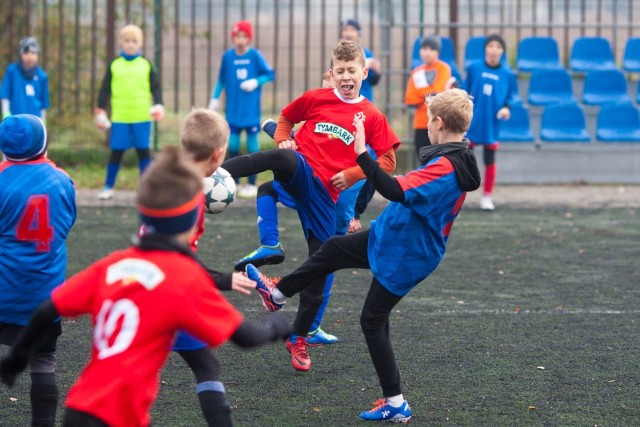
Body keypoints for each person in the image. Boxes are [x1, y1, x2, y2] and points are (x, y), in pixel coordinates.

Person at [0, 146, 290, 427]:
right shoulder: (183, 278)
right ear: (194, 222)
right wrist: (277, 326)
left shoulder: (111, 266)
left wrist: (15, 359)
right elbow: (246, 337)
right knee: (206, 365)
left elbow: (48, 308)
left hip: (80, 408)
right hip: (120, 416)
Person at [246, 88, 481, 422]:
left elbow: (394, 190)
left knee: (372, 320)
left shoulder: (446, 167)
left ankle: (396, 403)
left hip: (406, 252)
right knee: (332, 249)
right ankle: (278, 293)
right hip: (393, 237)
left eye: (429, 120)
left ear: (439, 123)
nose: (427, 126)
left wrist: (361, 152)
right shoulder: (459, 153)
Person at [221, 39, 400, 368]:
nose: (347, 77)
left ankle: (299, 338)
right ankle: (220, 171)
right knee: (284, 160)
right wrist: (283, 138)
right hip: (303, 173)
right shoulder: (316, 98)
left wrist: (353, 173)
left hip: (325, 196)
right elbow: (286, 118)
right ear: (332, 74)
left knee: (319, 270)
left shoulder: (372, 116)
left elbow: (388, 161)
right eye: (341, 71)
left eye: (352, 71)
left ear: (364, 72)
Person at [163, 109, 258, 426]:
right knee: (206, 366)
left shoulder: (163, 178)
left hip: (143, 285)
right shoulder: (188, 200)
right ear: (218, 155)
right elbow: (179, 261)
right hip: (171, 293)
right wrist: (225, 280)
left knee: (199, 364)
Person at [0, 114, 77, 427]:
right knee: (42, 360)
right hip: (44, 298)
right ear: (43, 143)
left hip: (3, 292)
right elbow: (65, 225)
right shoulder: (62, 180)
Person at [94, 24, 165, 201]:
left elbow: (156, 88)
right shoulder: (115, 65)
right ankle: (108, 186)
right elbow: (104, 89)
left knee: (143, 152)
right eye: (127, 41)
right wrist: (100, 110)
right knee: (116, 152)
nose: (130, 44)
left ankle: (146, 188)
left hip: (142, 116)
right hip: (120, 117)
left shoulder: (146, 65)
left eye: (134, 41)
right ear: (121, 43)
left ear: (140, 43)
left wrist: (159, 105)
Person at [208, 20, 275, 199]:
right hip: (233, 112)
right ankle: (234, 182)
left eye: (244, 36)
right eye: (238, 36)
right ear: (233, 37)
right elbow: (221, 79)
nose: (240, 40)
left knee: (253, 146)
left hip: (251, 112)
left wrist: (256, 82)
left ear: (249, 38)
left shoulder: (255, 56)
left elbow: (270, 74)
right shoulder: (228, 57)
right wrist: (214, 98)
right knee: (234, 145)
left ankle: (252, 184)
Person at [463, 34, 517, 211]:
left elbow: (510, 97)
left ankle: (486, 196)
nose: (494, 50)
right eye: (491, 46)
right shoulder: (474, 68)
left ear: (502, 51)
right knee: (464, 160)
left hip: (491, 124)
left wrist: (506, 108)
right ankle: (458, 195)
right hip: (472, 122)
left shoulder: (508, 74)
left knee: (489, 159)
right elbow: (465, 91)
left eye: (498, 47)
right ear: (485, 48)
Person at [404, 35, 452, 157]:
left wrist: (421, 93)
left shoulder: (443, 68)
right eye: (424, 48)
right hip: (420, 123)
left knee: (438, 160)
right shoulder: (416, 72)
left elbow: (439, 91)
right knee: (423, 160)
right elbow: (410, 99)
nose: (427, 52)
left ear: (438, 52)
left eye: (431, 49)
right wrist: (428, 94)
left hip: (439, 122)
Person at [0, 37, 50, 120]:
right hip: (15, 121)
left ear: (37, 54)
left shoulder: (42, 76)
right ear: (21, 53)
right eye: (26, 52)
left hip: (34, 122)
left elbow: (43, 104)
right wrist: (6, 115)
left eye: (33, 52)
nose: (29, 56)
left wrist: (42, 122)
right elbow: (5, 95)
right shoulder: (12, 71)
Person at [339, 18, 380, 102]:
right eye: (345, 30)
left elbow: (373, 81)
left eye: (352, 30)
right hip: (343, 100)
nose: (349, 33)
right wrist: (363, 65)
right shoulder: (337, 54)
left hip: (364, 100)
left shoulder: (367, 54)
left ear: (358, 33)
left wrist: (377, 72)